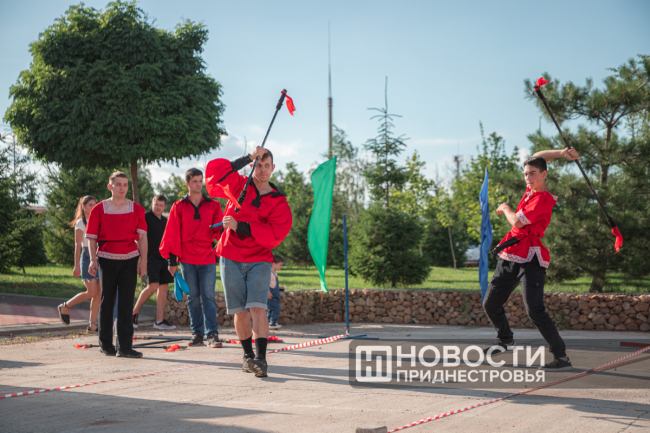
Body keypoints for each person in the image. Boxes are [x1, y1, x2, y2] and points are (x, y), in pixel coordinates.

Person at [482, 147, 579, 371]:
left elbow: (517, 222)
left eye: (532, 174)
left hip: (531, 259)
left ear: (544, 174)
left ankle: (561, 357)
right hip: (510, 254)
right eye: (525, 174)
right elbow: (539, 157)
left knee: (534, 309)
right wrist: (562, 152)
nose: (528, 178)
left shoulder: (543, 199)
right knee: (490, 302)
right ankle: (505, 340)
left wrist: (506, 207)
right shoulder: (530, 191)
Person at [205, 147, 293, 378]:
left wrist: (240, 226)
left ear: (273, 168)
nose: (262, 170)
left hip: (259, 258)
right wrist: (247, 158)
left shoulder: (278, 201)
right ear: (253, 166)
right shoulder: (239, 185)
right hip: (230, 254)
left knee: (258, 307)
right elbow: (215, 176)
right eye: (258, 165)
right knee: (240, 310)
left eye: (266, 166)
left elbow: (275, 233)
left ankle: (261, 359)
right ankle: (247, 356)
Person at [159, 168, 224, 348]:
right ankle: (197, 334)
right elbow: (172, 234)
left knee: (208, 296)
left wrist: (223, 239)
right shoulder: (178, 206)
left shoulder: (213, 205)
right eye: (195, 181)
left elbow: (220, 231)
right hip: (187, 258)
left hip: (207, 257)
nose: (198, 184)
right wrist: (172, 261)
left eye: (200, 181)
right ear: (187, 184)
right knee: (193, 297)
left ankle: (213, 334)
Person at [86, 172, 147, 358]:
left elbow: (142, 238)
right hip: (107, 258)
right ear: (110, 186)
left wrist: (143, 260)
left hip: (130, 258)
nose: (122, 188)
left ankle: (125, 347)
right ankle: (106, 345)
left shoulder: (137, 209)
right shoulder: (99, 209)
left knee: (127, 303)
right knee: (107, 301)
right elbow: (92, 238)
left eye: (125, 184)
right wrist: (92, 259)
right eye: (118, 184)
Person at [132, 195, 176, 330]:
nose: (158, 207)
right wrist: (140, 258)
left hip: (164, 258)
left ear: (165, 207)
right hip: (150, 257)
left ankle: (159, 321)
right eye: (156, 204)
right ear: (152, 204)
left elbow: (170, 240)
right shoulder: (145, 217)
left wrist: (173, 261)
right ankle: (133, 314)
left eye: (161, 205)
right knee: (153, 286)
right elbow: (138, 237)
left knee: (164, 287)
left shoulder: (165, 221)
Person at [57, 196, 101, 332]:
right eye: (90, 205)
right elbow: (77, 245)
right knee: (91, 292)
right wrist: (76, 265)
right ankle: (65, 306)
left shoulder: (97, 220)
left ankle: (92, 324)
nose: (93, 207)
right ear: (83, 206)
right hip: (87, 256)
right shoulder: (81, 222)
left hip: (99, 255)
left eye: (94, 204)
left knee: (98, 293)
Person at [267, 254, 285, 330]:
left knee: (271, 309)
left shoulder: (274, 273)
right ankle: (273, 322)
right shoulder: (270, 273)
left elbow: (273, 284)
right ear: (273, 264)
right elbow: (267, 284)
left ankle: (267, 322)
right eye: (280, 265)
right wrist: (268, 292)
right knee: (275, 308)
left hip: (275, 294)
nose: (281, 267)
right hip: (272, 294)